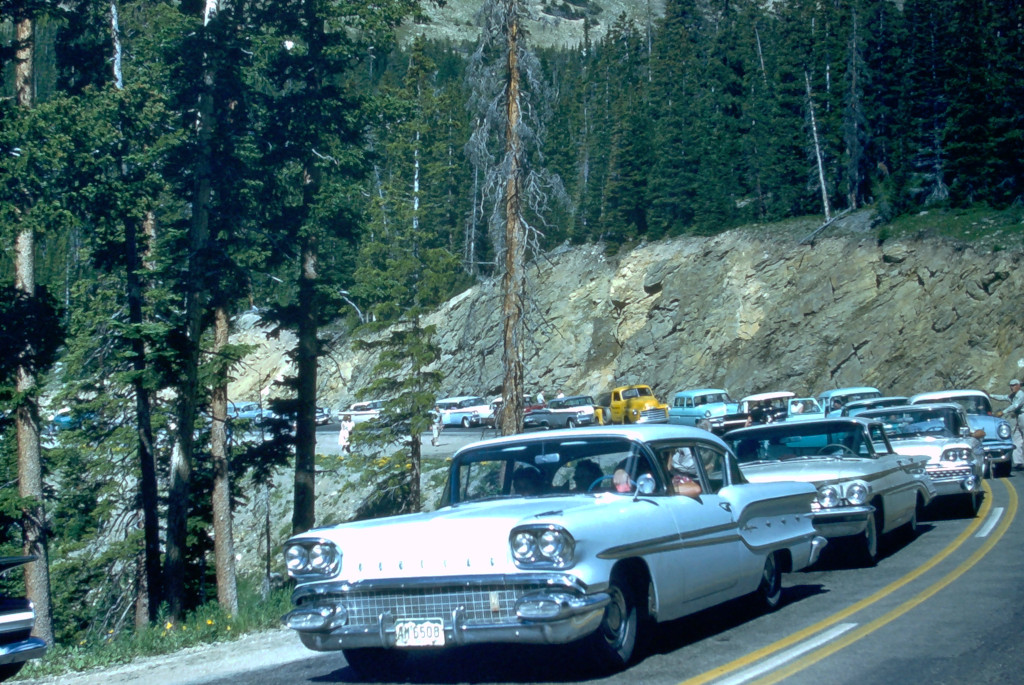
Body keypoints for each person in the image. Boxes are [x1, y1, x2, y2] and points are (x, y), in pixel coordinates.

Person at [992, 379, 1024, 469]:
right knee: (1016, 439)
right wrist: (990, 395)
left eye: (1014, 385)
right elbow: (1003, 397)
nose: (1012, 387)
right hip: (1017, 417)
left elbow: (1015, 405)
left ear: (1019, 385)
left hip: (1023, 416)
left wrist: (1003, 412)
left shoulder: (1021, 395)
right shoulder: (1013, 396)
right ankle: (1019, 462)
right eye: (1011, 385)